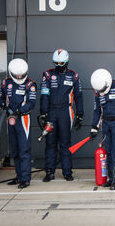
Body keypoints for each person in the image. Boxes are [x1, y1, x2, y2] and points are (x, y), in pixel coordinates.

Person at [40, 49, 83, 182]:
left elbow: (78, 96)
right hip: (51, 112)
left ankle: (67, 172)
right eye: (56, 63)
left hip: (66, 112)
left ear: (66, 62)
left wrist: (80, 114)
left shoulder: (74, 76)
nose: (58, 66)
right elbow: (44, 95)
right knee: (50, 143)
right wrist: (44, 113)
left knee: (65, 143)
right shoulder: (47, 75)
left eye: (61, 63)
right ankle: (49, 171)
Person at [0, 58, 37, 189]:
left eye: (22, 74)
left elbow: (31, 103)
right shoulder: (5, 83)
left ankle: (25, 179)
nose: (20, 77)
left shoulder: (30, 84)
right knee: (14, 150)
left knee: (24, 150)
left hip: (23, 119)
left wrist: (19, 111)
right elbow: (0, 97)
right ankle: (19, 176)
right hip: (11, 119)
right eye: (17, 75)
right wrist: (3, 105)